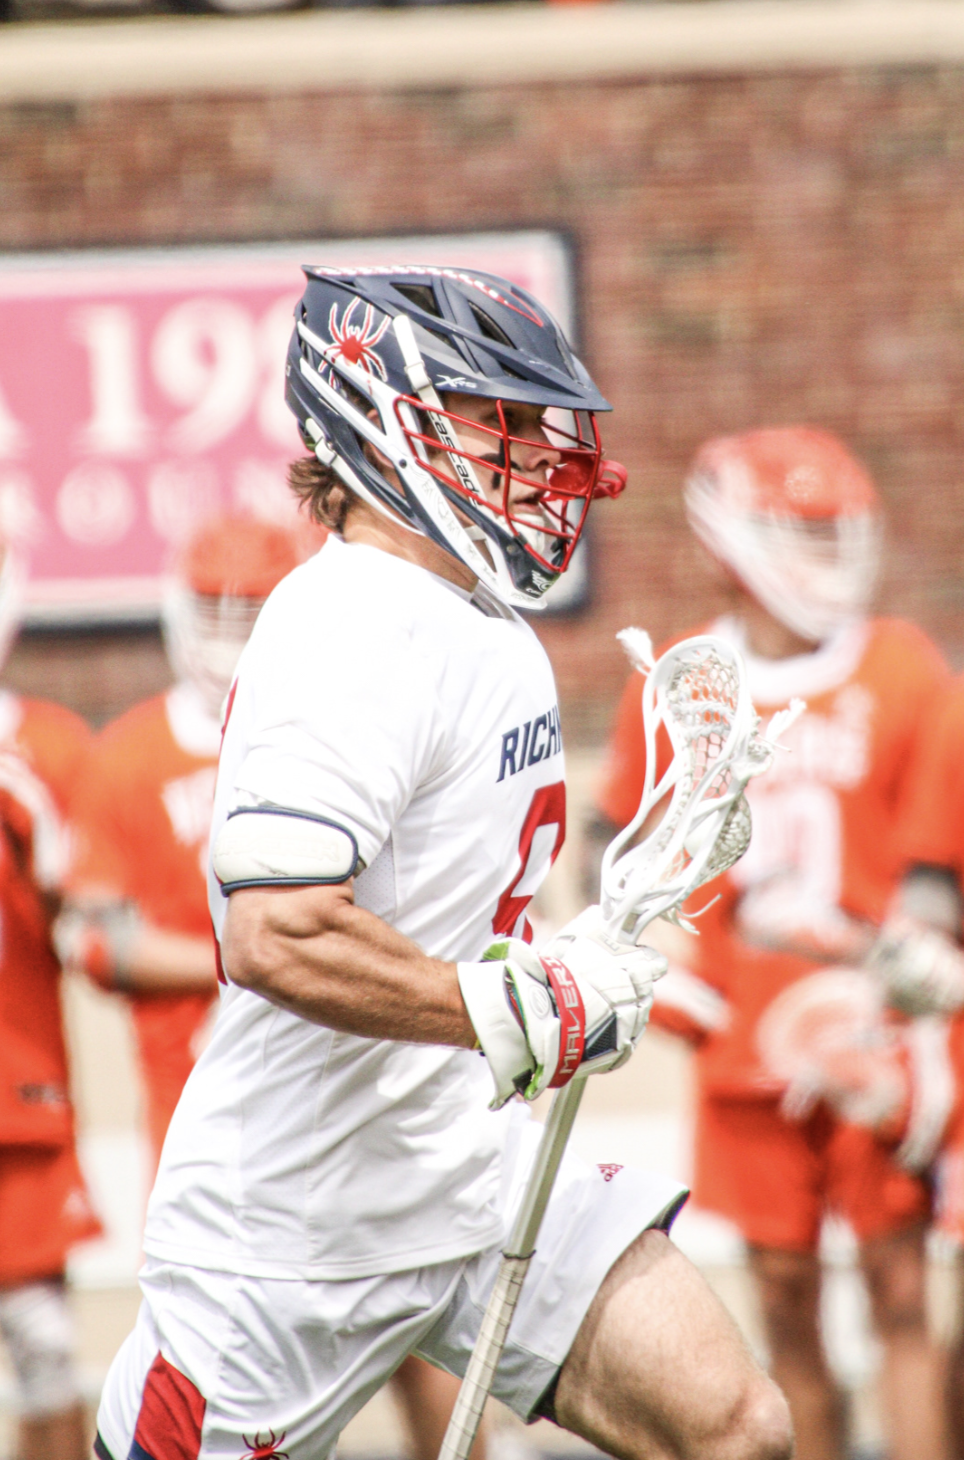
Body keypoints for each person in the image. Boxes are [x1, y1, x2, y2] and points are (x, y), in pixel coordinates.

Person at [93, 266, 791, 1460]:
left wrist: (564, 965)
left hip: (468, 1163)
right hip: (296, 1220)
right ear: (382, 417)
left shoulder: (472, 619)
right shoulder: (345, 622)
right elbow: (277, 932)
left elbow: (453, 916)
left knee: (735, 1423)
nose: (533, 453)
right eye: (496, 419)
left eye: (533, 423)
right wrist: (509, 1005)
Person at [593, 427, 947, 1460]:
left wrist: (915, 985)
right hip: (744, 1039)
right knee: (784, 1297)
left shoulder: (903, 670)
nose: (826, 557)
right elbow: (615, 864)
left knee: (899, 1286)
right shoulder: (676, 682)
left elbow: (930, 878)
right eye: (802, 532)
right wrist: (658, 985)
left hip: (872, 1034)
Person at [60, 514, 303, 1171]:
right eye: (213, 616)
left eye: (247, 615)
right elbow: (97, 942)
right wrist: (257, 964)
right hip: (189, 1108)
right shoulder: (127, 756)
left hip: (319, 1089)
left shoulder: (325, 741)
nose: (227, 643)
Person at [0, 537, 103, 1460]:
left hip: (19, 1091)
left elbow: (91, 928)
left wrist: (34, 821)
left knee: (45, 1350)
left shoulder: (50, 747)